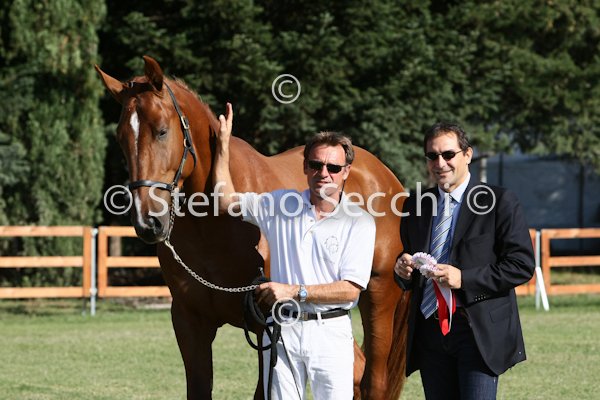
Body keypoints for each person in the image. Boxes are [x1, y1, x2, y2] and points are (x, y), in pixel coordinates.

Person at [214, 103, 376, 399]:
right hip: (282, 329)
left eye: (333, 168)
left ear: (346, 172)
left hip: (330, 332)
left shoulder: (360, 222)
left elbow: (351, 290)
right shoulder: (279, 203)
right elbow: (225, 201)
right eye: (315, 164)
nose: (323, 173)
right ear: (305, 167)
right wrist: (223, 146)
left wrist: (293, 291)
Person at [393, 122, 535, 400]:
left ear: (467, 155)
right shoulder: (415, 204)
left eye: (448, 154)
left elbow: (521, 265)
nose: (440, 163)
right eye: (432, 156)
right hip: (429, 331)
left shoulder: (500, 201)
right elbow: (408, 266)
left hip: (476, 331)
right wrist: (403, 269)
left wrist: (464, 279)